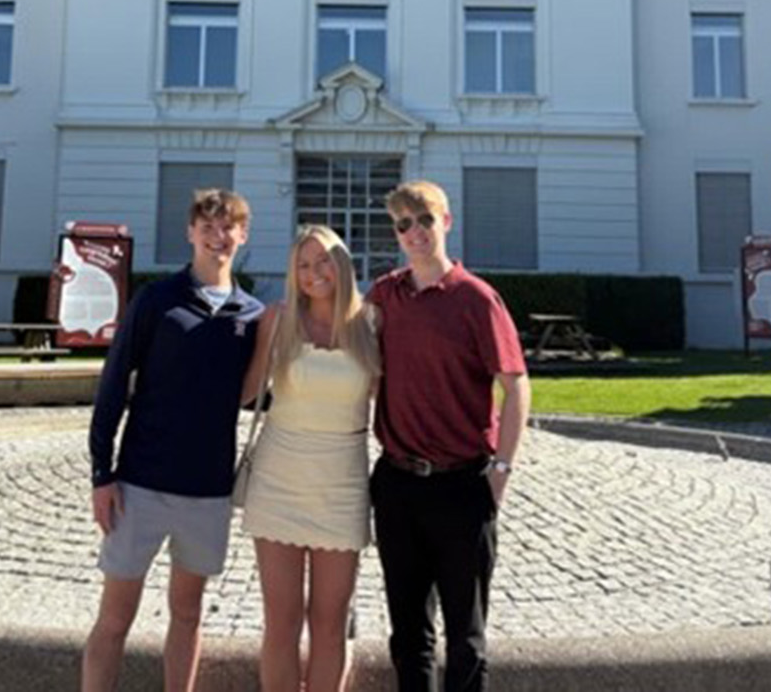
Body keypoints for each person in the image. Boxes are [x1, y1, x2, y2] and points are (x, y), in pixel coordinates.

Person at [82, 188, 263, 692]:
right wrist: (103, 474)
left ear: (242, 236)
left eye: (228, 226)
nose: (217, 235)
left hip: (208, 492)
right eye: (207, 224)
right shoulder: (156, 301)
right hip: (138, 486)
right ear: (190, 232)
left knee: (187, 614)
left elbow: (249, 398)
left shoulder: (251, 316)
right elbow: (114, 384)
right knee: (115, 618)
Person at [367, 180, 530, 692]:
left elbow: (516, 385)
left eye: (425, 220)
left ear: (446, 222)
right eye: (404, 225)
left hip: (462, 488)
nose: (415, 232)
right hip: (397, 484)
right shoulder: (384, 295)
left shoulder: (476, 300)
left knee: (466, 636)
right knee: (408, 633)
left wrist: (501, 471)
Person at [241, 225, 379, 692]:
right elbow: (244, 392)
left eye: (323, 261)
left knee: (330, 621)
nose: (314, 273)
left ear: (342, 264)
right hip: (279, 481)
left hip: (342, 485)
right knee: (281, 621)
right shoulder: (277, 320)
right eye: (303, 264)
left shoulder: (372, 324)